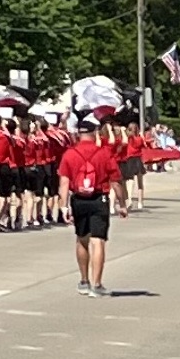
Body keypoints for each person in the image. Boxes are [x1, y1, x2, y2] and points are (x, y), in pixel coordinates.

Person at [58, 117, 120, 295]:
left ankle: (84, 280)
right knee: (98, 241)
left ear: (78, 134)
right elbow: (116, 181)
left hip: (78, 199)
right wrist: (122, 204)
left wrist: (64, 206)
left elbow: (64, 182)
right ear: (95, 134)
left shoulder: (69, 154)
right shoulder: (104, 153)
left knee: (82, 238)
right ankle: (97, 284)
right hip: (99, 198)